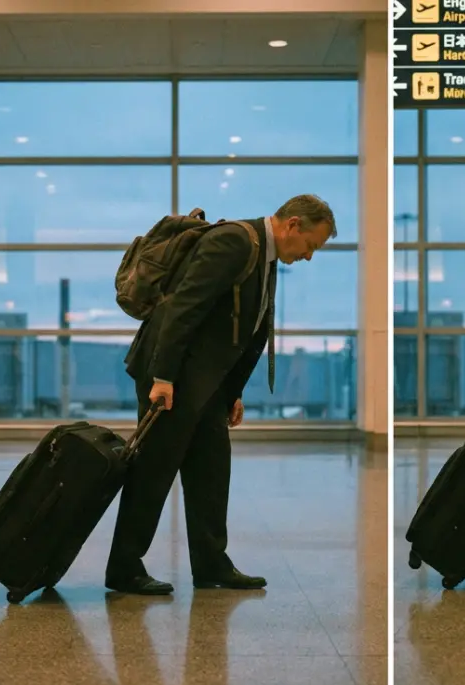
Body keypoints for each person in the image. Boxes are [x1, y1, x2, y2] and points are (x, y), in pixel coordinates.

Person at [105, 194, 338, 595]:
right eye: (311, 246)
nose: (309, 256)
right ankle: (124, 568)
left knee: (211, 474)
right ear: (293, 225)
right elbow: (183, 308)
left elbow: (243, 328)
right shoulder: (234, 241)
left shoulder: (265, 255)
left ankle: (212, 563)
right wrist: (163, 377)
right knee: (153, 473)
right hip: (173, 378)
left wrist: (233, 392)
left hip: (207, 386)